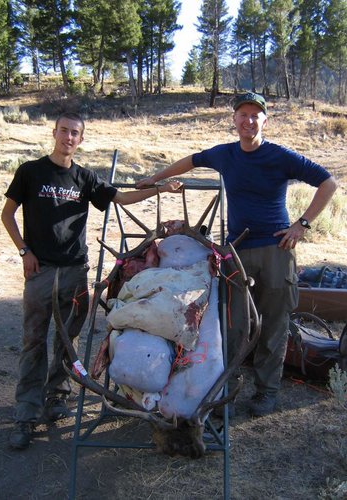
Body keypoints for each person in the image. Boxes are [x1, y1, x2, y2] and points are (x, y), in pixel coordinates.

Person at [137, 92, 337, 418]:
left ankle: (266, 393)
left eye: (255, 115)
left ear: (265, 121)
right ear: (234, 120)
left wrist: (301, 224)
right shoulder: (225, 154)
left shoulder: (280, 156)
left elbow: (328, 183)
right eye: (242, 115)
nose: (248, 121)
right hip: (236, 251)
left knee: (273, 325)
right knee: (232, 326)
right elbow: (192, 160)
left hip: (275, 251)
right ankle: (223, 392)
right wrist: (156, 179)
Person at [1, 111, 182, 449]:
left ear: (81, 140)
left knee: (67, 340)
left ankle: (56, 397)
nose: (68, 137)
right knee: (33, 341)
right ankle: (25, 415)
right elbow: (7, 214)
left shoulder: (84, 178)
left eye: (75, 133)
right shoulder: (30, 172)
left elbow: (121, 198)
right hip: (40, 272)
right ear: (54, 133)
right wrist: (24, 252)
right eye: (64, 131)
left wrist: (160, 188)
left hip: (74, 271)